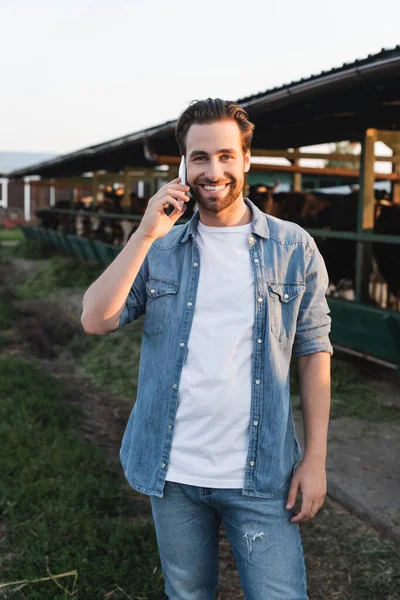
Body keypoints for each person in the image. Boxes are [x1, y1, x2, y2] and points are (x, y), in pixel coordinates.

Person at [81, 98, 333, 600]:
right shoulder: (160, 250)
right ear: (183, 166)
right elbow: (95, 319)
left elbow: (314, 352)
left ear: (244, 160)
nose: (212, 170)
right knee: (188, 594)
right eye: (199, 158)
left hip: (262, 476)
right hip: (173, 472)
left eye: (224, 156)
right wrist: (147, 231)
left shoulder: (292, 246)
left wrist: (317, 459)